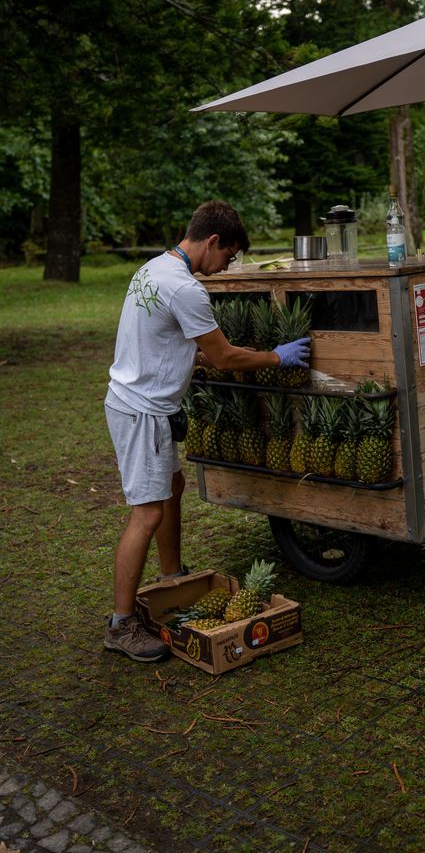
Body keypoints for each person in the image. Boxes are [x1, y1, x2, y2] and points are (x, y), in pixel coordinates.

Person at [103, 200, 310, 662]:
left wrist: (201, 355)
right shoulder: (187, 289)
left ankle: (173, 576)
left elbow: (164, 341)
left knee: (172, 487)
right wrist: (276, 356)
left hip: (135, 402)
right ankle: (121, 624)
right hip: (142, 412)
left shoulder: (154, 269)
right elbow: (222, 357)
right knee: (147, 513)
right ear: (213, 241)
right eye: (229, 256)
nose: (227, 266)